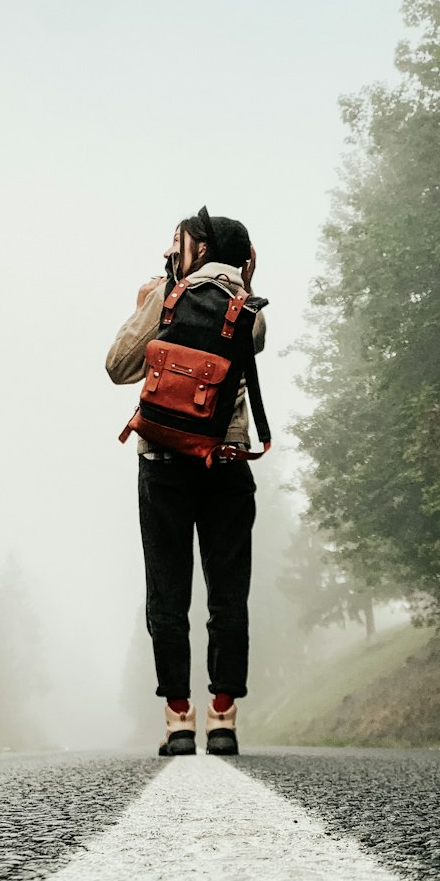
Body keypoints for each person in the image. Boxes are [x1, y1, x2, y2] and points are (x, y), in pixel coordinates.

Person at [106, 207, 266, 757]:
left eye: (178, 245)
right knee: (228, 595)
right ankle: (224, 716)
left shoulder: (167, 298)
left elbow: (118, 366)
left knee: (167, 594)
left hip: (165, 467)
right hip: (225, 465)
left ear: (196, 251)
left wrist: (155, 298)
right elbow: (256, 343)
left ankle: (178, 718)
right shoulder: (248, 311)